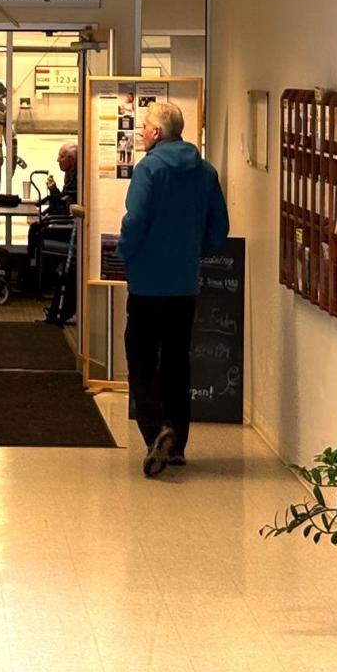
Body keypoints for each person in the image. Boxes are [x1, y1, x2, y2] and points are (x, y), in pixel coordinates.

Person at [116, 101, 228, 478]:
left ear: (157, 132)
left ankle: (156, 432)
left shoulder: (149, 169)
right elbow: (219, 227)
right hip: (184, 285)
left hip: (147, 283)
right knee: (177, 362)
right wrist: (194, 252)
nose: (141, 132)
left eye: (144, 126)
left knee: (142, 360)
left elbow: (135, 220)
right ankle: (177, 446)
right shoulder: (206, 172)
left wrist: (125, 252)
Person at [32, 142, 79, 325]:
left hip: (70, 227)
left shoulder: (78, 180)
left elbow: (64, 206)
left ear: (71, 160)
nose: (57, 160)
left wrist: (53, 191)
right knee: (36, 230)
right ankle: (35, 276)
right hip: (65, 223)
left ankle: (39, 280)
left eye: (61, 156)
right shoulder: (70, 176)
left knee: (37, 232)